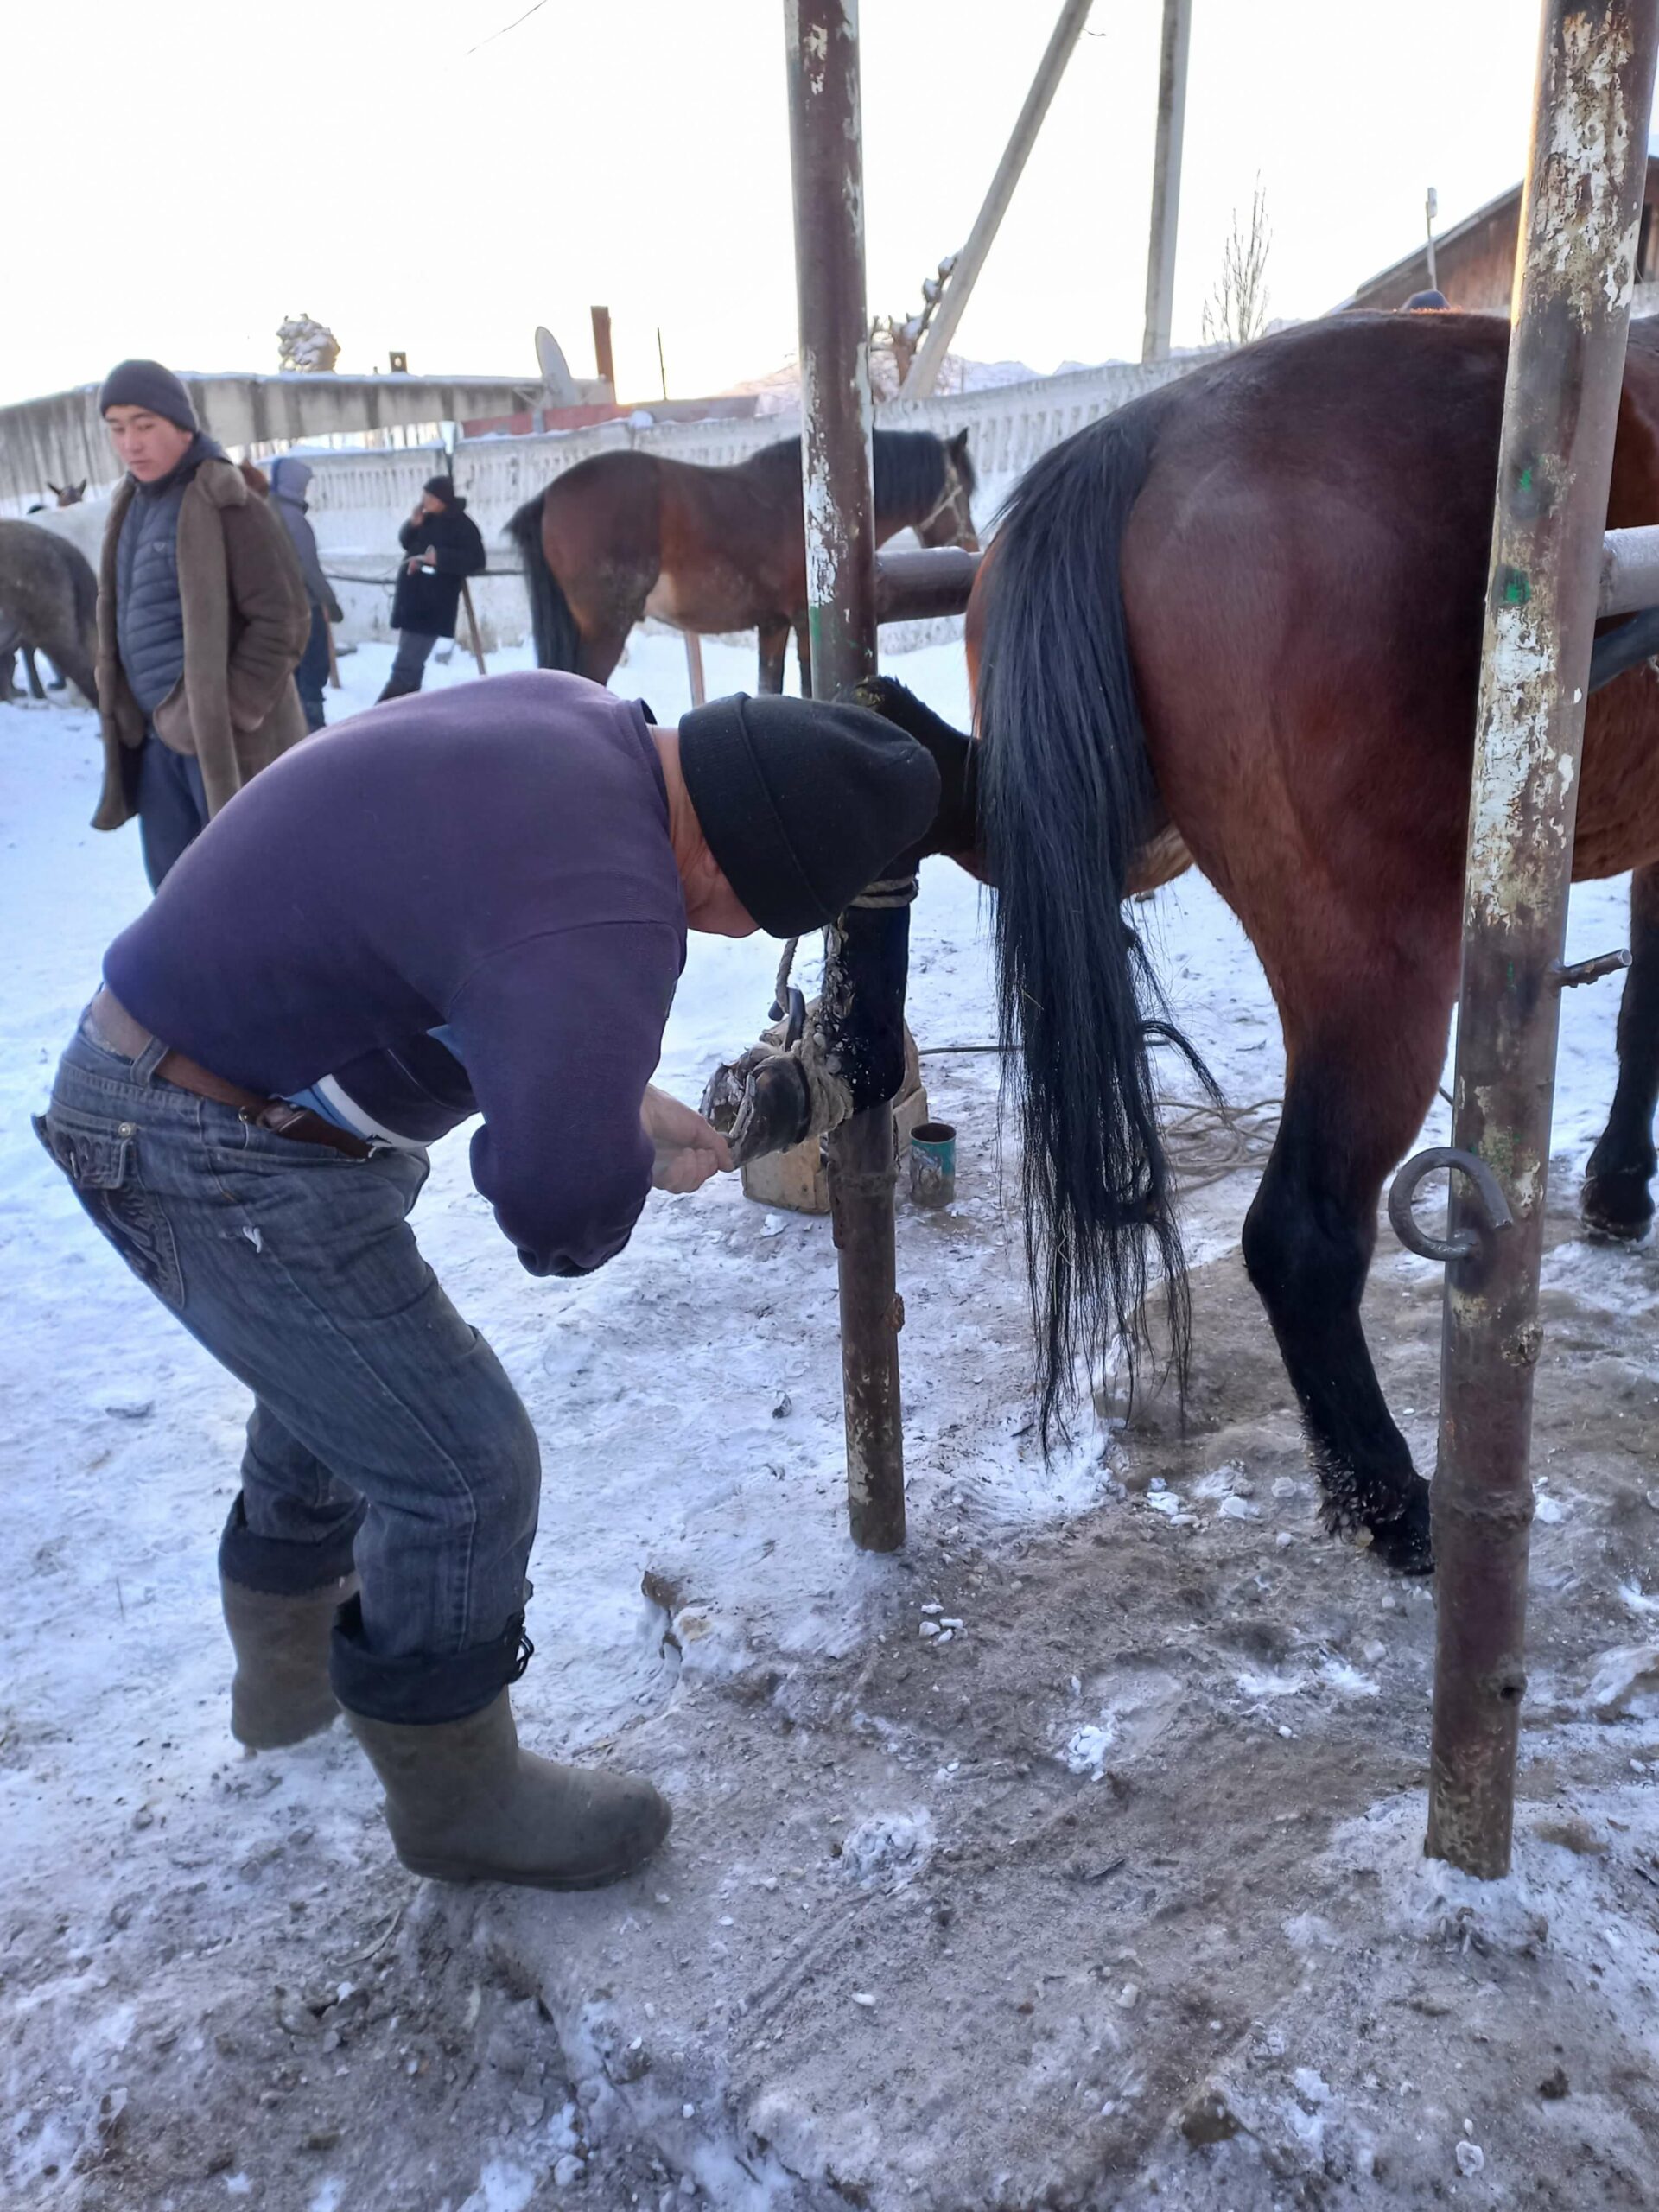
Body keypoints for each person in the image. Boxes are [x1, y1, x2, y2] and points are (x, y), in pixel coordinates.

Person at [37, 671, 939, 1892]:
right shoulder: (608, 906)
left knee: (344, 1398)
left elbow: (468, 938)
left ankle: (289, 1703)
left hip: (193, 1074)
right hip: (200, 1137)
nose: (722, 935)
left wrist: (607, 1098)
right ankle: (458, 1800)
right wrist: (607, 1153)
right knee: (462, 1467)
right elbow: (555, 1210)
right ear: (735, 878)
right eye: (742, 920)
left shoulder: (582, 730)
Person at [92, 360, 310, 889]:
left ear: (182, 428)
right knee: (174, 891)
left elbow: (284, 619)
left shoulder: (227, 500)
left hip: (222, 741)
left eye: (145, 426)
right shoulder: (131, 505)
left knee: (250, 887)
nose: (131, 443)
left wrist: (230, 708)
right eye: (118, 428)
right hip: (152, 737)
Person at [378, 474, 486, 702]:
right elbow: (407, 542)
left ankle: (382, 714)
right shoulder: (426, 519)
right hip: (412, 602)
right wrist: (412, 525)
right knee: (411, 665)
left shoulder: (463, 525)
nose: (424, 500)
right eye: (424, 495)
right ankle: (408, 714)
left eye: (429, 496)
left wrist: (441, 559)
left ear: (442, 499)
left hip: (432, 605)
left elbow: (476, 559)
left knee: (406, 665)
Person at [269, 457, 346, 733]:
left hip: (275, 610)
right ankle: (312, 733)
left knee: (292, 677)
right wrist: (330, 601)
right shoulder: (293, 519)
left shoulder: (267, 511)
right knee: (312, 673)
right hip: (302, 608)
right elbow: (308, 568)